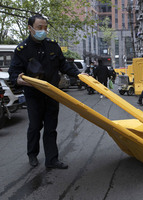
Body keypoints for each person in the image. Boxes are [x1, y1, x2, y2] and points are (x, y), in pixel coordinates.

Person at [8, 14, 87, 169]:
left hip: (52, 94)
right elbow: (13, 72)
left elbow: (64, 65)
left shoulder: (52, 46)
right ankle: (32, 154)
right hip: (33, 95)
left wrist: (78, 74)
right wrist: (17, 80)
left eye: (45, 27)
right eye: (39, 27)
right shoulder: (22, 50)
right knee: (35, 126)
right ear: (30, 28)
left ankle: (52, 159)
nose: (43, 31)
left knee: (51, 128)